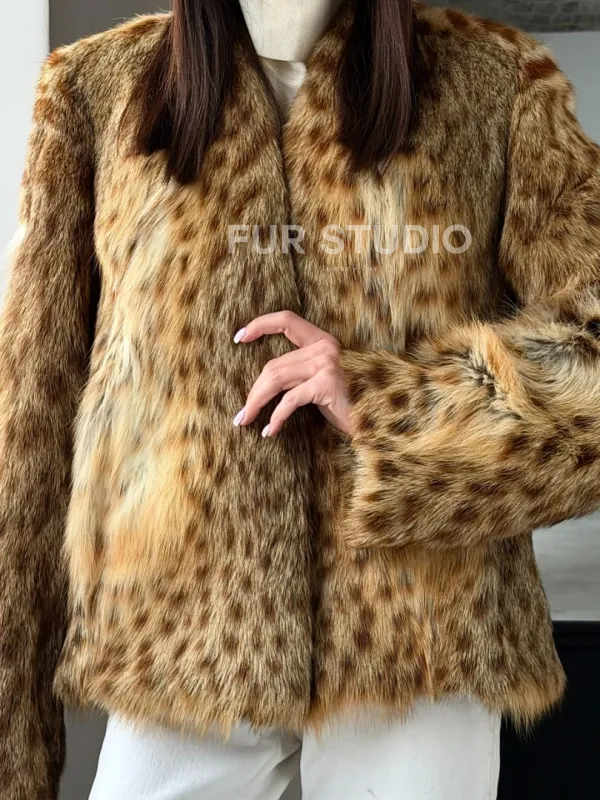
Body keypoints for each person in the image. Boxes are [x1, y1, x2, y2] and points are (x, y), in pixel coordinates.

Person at [1, 0, 599, 797]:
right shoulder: (96, 90)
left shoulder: (495, 84)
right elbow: (34, 409)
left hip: (421, 638)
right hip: (180, 631)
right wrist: (14, 735)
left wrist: (396, 409)